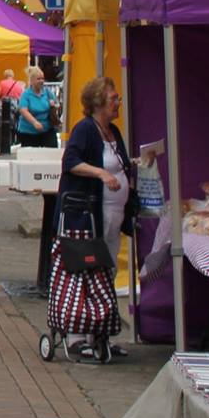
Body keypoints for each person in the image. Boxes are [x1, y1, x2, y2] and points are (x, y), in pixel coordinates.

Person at [57, 76, 135, 357]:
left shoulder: (112, 131)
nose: (118, 103)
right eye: (114, 98)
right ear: (99, 102)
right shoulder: (85, 130)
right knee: (86, 270)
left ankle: (99, 333)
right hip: (89, 214)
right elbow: (71, 162)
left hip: (113, 213)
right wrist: (101, 173)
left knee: (108, 270)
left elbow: (120, 163)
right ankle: (78, 335)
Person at [16, 66, 58, 148]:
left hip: (47, 129)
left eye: (42, 78)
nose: (41, 81)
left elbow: (56, 105)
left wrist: (54, 105)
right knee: (31, 157)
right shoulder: (26, 95)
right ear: (31, 81)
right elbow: (23, 111)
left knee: (51, 152)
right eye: (38, 79)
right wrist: (34, 122)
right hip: (29, 132)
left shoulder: (47, 92)